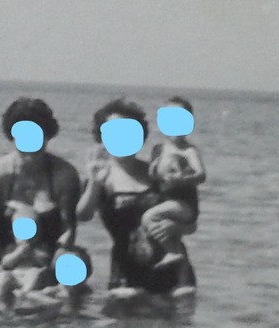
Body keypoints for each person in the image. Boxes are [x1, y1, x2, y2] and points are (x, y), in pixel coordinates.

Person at [76, 98, 195, 293]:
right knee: (123, 322)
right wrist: (95, 183)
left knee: (179, 323)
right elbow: (83, 216)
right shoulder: (100, 177)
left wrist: (177, 226)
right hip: (126, 271)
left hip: (174, 270)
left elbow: (191, 222)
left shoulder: (159, 174)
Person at [0, 97, 82, 305]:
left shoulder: (65, 175)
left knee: (73, 266)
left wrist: (56, 266)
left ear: (47, 135)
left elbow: (69, 231)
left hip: (48, 259)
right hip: (9, 258)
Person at [140, 95, 206, 275]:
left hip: (184, 205)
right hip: (168, 203)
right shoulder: (158, 150)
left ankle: (172, 251)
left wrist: (183, 180)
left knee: (148, 218)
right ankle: (170, 251)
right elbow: (154, 177)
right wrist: (153, 172)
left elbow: (201, 175)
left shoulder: (188, 150)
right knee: (156, 222)